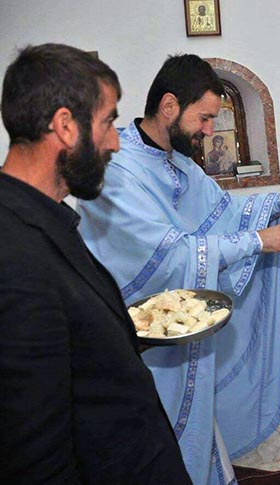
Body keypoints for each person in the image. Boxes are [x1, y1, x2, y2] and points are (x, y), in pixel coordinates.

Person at [76, 54, 280, 484]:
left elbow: (223, 214)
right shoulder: (118, 169)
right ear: (169, 105)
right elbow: (167, 255)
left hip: (181, 337)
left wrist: (278, 202)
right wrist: (257, 241)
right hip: (140, 344)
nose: (208, 131)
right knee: (155, 445)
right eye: (204, 118)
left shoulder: (179, 162)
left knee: (194, 432)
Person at [0, 43, 190, 483]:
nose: (116, 142)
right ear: (66, 126)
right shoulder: (14, 257)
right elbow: (35, 455)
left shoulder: (44, 217)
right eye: (107, 122)